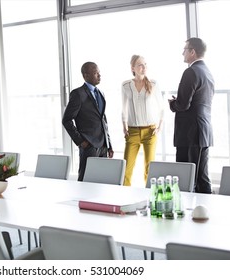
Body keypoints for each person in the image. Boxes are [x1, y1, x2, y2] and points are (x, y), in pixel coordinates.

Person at [168, 37, 214, 194]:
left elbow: (183, 104)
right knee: (202, 177)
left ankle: (187, 214)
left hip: (190, 133)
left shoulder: (191, 71)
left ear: (192, 52)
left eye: (185, 50)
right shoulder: (207, 72)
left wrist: (172, 103)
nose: (183, 53)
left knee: (187, 179)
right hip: (203, 132)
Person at [62, 61, 114, 181]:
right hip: (89, 145)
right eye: (96, 73)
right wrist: (81, 141)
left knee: (102, 180)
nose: (99, 76)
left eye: (99, 73)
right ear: (86, 75)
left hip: (103, 146)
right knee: (84, 179)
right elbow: (66, 120)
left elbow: (103, 121)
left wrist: (109, 144)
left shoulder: (101, 93)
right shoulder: (78, 94)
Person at [121, 55, 164, 186]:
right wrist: (124, 126)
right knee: (126, 168)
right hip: (132, 131)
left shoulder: (153, 84)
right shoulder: (126, 85)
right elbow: (123, 108)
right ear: (132, 68)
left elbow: (162, 108)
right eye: (140, 65)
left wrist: (159, 128)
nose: (143, 67)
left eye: (145, 64)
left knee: (149, 169)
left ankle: (150, 197)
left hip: (150, 131)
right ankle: (124, 196)